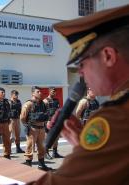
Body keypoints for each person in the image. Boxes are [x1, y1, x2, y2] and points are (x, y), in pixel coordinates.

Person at [34, 4, 129, 185]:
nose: (81, 72)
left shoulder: (117, 117)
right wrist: (84, 144)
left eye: (82, 62)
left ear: (108, 56)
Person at [20, 86, 51, 171]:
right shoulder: (28, 104)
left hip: (41, 128)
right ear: (33, 93)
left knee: (41, 147)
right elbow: (22, 117)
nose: (40, 93)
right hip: (33, 128)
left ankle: (41, 165)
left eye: (40, 92)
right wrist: (27, 126)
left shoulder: (43, 104)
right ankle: (28, 165)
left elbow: (46, 114)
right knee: (30, 147)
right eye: (38, 91)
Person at [43, 87, 63, 160]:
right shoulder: (45, 101)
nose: (54, 92)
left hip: (56, 121)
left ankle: (55, 153)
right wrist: (46, 121)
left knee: (56, 138)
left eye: (55, 91)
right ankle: (46, 153)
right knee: (47, 138)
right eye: (52, 91)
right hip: (48, 122)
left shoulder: (56, 100)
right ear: (49, 92)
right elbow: (43, 112)